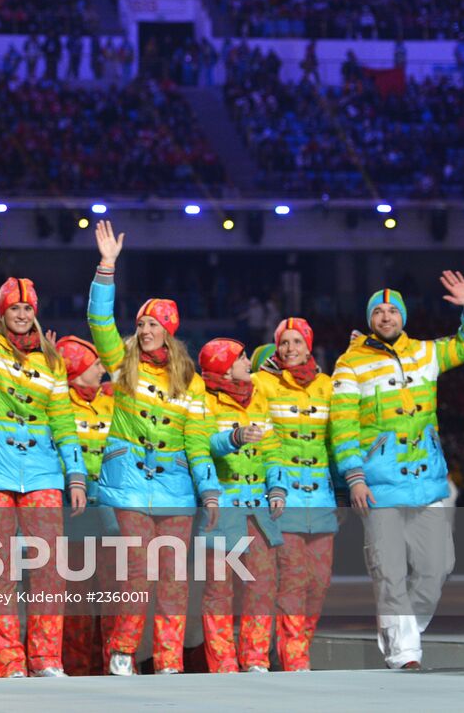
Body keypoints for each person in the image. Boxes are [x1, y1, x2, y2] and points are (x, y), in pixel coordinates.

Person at [330, 277, 464, 669]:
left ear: (404, 316)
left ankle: (403, 631)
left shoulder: (425, 353)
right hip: (379, 485)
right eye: (379, 311)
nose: (386, 316)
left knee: (439, 568)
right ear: (370, 319)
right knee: (390, 572)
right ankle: (405, 654)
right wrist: (354, 477)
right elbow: (343, 426)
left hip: (427, 484)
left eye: (393, 310)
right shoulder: (351, 363)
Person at [87, 220, 219, 676]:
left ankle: (167, 661)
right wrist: (107, 268)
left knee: (174, 581)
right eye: (141, 323)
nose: (144, 330)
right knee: (136, 574)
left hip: (177, 492)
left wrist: (210, 491)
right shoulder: (122, 362)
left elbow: (198, 440)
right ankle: (123, 651)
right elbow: (99, 322)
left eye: (153, 324)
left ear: (168, 330)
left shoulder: (191, 381)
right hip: (126, 486)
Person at [0, 278, 86, 678]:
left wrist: (76, 475)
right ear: (1, 311)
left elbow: (64, 421)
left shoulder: (52, 361)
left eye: (28, 308)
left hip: (42, 475)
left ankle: (47, 660)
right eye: (14, 307)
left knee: (49, 571)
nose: (21, 314)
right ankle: (10, 661)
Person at [195, 338, 283, 674]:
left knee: (261, 584)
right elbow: (201, 445)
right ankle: (223, 662)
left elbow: (272, 448)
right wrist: (232, 439)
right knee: (219, 588)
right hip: (222, 509)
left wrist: (277, 487)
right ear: (225, 365)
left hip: (258, 510)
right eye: (243, 357)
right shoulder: (203, 399)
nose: (248, 362)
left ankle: (256, 658)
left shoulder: (257, 397)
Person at [256, 317, 336, 671]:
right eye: (283, 343)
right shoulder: (265, 384)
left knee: (318, 584)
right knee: (292, 580)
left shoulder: (328, 386)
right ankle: (295, 659)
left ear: (309, 345)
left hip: (321, 503)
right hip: (283, 501)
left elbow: (340, 439)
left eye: (296, 342)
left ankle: (294, 650)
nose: (289, 349)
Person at [55, 336, 115, 676]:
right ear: (77, 371)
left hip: (106, 515)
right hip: (72, 516)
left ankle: (110, 667)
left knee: (112, 596)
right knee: (76, 600)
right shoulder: (60, 405)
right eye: (94, 365)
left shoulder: (111, 402)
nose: (101, 369)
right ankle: (76, 669)